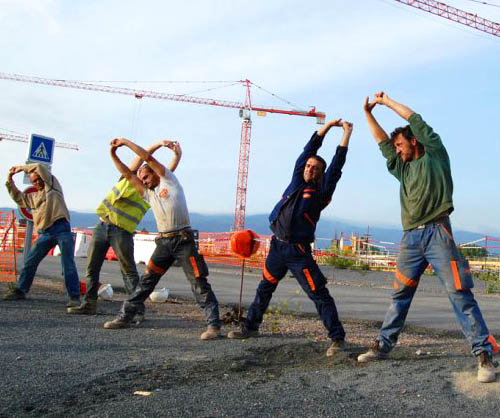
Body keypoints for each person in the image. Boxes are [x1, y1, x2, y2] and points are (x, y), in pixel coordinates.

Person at [358, 92, 498, 383]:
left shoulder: (435, 153)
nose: (396, 150)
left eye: (400, 145)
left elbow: (414, 119)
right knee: (400, 295)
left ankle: (484, 354)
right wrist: (369, 114)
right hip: (410, 240)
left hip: (438, 233)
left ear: (414, 141)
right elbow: (382, 142)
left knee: (460, 292)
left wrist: (386, 102)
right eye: (395, 147)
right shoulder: (402, 168)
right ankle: (383, 345)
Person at [228, 119, 353, 357]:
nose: (310, 169)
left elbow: (336, 165)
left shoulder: (321, 191)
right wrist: (326, 128)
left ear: (320, 174)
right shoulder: (296, 181)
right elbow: (308, 150)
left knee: (318, 293)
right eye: (308, 166)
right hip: (277, 248)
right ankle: (250, 327)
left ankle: (338, 339)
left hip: (299, 253)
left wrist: (346, 133)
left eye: (315, 168)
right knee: (265, 287)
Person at [102, 138, 222, 340]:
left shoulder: (169, 180)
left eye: (146, 177)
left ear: (156, 173)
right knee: (146, 281)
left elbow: (147, 157)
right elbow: (126, 174)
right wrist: (113, 154)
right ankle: (125, 316)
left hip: (183, 242)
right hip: (164, 244)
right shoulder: (148, 193)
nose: (144, 181)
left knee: (199, 282)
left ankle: (214, 326)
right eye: (142, 179)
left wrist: (125, 142)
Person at [67, 140, 181, 319]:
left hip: (122, 231)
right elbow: (137, 161)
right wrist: (154, 145)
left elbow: (167, 173)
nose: (140, 175)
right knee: (92, 268)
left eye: (145, 174)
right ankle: (89, 304)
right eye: (139, 172)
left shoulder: (149, 190)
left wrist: (176, 155)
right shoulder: (126, 179)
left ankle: (136, 310)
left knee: (128, 272)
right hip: (102, 226)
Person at [4, 163, 80, 307]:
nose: (37, 182)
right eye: (34, 181)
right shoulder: (32, 198)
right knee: (30, 262)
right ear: (32, 183)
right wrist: (10, 179)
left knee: (67, 264)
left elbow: (39, 166)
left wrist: (22, 168)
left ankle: (74, 297)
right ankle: (20, 290)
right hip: (45, 233)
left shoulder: (52, 186)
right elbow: (17, 196)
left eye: (39, 179)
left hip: (61, 229)